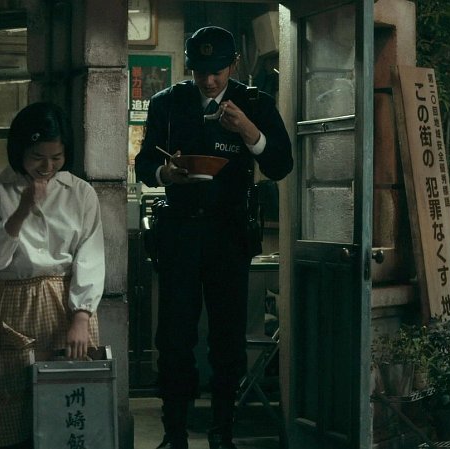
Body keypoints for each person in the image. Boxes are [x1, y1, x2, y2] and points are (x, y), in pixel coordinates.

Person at [134, 26, 293, 449]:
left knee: (227, 338)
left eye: (217, 72)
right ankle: (174, 434)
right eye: (201, 71)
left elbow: (281, 164)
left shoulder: (254, 103)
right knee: (174, 338)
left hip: (229, 234)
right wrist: (165, 174)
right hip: (180, 233)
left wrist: (249, 132)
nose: (208, 81)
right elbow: (144, 162)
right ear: (191, 67)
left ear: (233, 65)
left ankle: (223, 433)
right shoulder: (168, 103)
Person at [0, 101, 105, 449]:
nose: (47, 167)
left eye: (56, 157)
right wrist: (22, 210)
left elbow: (90, 255)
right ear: (19, 150)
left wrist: (81, 316)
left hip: (68, 303)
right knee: (13, 408)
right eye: (38, 157)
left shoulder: (80, 192)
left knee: (69, 410)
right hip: (14, 300)